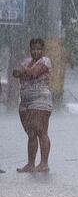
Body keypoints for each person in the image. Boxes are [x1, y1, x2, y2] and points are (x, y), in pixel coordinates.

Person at [11, 38, 53, 173]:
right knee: (31, 133)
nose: (36, 51)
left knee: (41, 131)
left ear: (43, 50)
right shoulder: (27, 62)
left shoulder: (45, 61)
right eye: (33, 49)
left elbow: (34, 73)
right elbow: (15, 73)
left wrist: (23, 71)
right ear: (30, 50)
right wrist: (21, 71)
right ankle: (30, 164)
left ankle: (44, 163)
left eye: (39, 49)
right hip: (26, 101)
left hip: (41, 100)